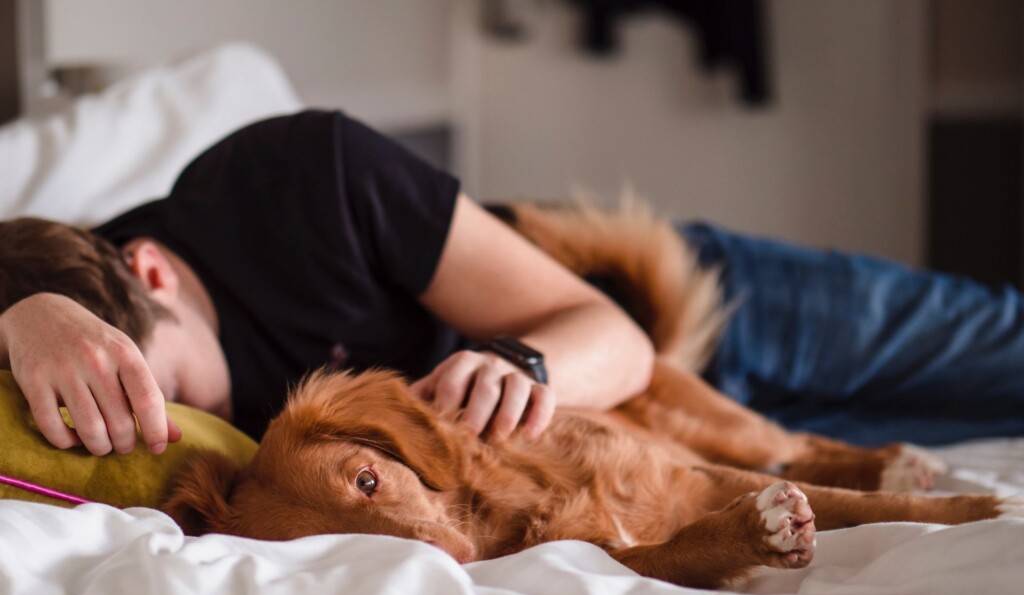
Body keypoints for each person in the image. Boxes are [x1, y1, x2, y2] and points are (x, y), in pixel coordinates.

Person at [0, 110, 655, 457]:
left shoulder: (310, 175)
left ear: (153, 273)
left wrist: (519, 367)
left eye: (169, 392)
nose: (181, 431)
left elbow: (622, 339)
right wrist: (20, 316)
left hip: (622, 268)